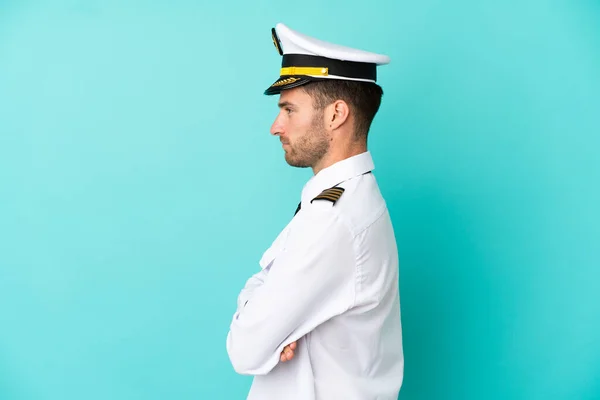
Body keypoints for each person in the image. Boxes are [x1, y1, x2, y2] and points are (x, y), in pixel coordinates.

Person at [226, 22, 404, 400]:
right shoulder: (344, 200)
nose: (276, 127)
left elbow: (244, 349)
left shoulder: (333, 218)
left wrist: (264, 332)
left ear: (336, 114)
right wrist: (267, 323)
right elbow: (260, 316)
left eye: (289, 109)